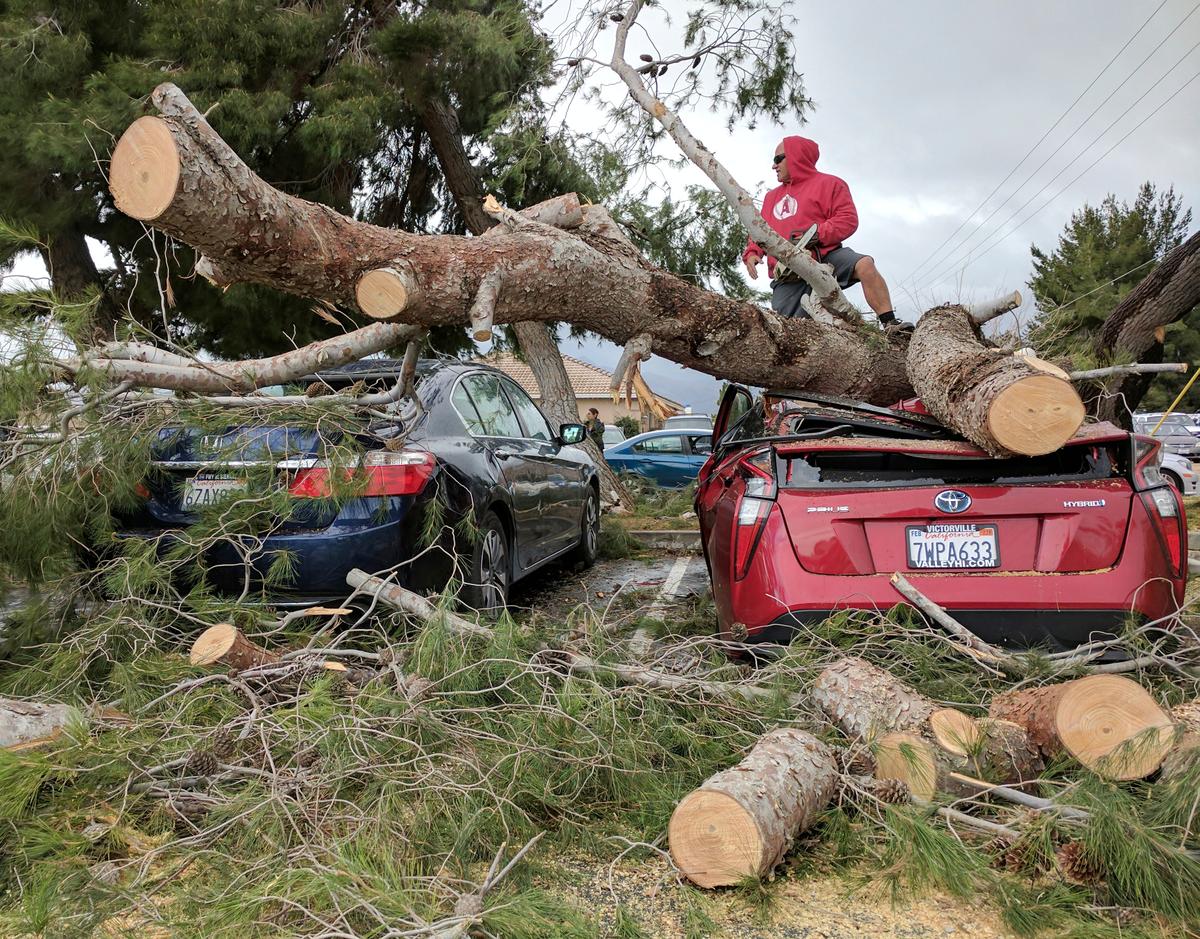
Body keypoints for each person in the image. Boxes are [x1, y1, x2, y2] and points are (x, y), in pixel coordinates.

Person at [742, 136, 903, 328]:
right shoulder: (770, 197)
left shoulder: (831, 184)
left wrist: (816, 234)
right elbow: (759, 230)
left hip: (826, 257)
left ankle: (891, 325)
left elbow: (847, 219)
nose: (773, 166)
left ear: (796, 156)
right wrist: (752, 252)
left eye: (778, 159)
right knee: (790, 329)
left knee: (865, 264)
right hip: (787, 273)